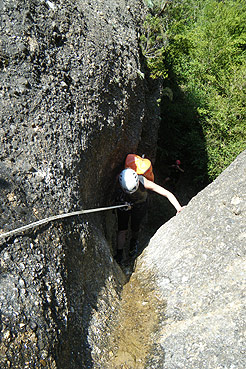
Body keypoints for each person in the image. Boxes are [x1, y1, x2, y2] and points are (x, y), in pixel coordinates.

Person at [114, 167, 183, 263]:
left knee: (135, 226)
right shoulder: (119, 180)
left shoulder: (144, 182)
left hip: (140, 205)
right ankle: (119, 254)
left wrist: (178, 207)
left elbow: (166, 193)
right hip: (124, 203)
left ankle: (133, 241)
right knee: (122, 229)